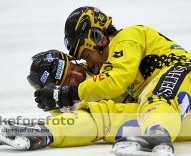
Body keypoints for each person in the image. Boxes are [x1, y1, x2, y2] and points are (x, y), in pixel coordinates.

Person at [35, 6, 191, 156]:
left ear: (98, 38)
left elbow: (116, 80)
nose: (89, 64)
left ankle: (157, 137)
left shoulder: (128, 37)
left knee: (158, 96)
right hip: (180, 120)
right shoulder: (108, 67)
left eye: (86, 56)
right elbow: (97, 91)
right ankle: (46, 133)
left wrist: (69, 93)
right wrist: (57, 106)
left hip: (188, 78)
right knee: (104, 115)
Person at [0, 49, 141, 150]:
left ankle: (40, 132)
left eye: (73, 66)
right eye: (68, 79)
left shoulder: (101, 64)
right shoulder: (67, 106)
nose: (78, 74)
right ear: (55, 91)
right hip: (141, 119)